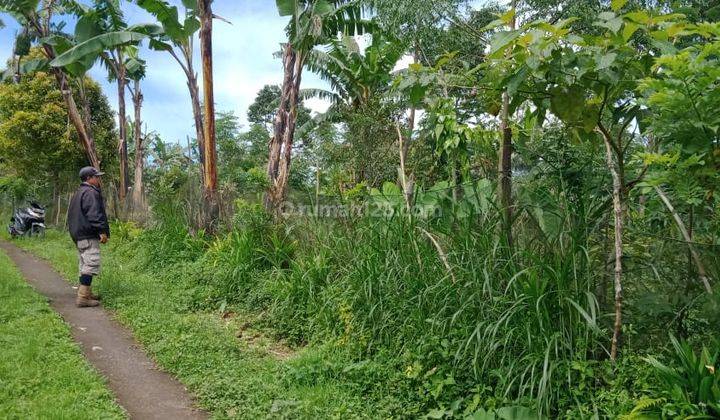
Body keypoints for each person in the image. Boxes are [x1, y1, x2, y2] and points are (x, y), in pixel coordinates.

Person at [67, 166, 110, 308]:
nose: (98, 179)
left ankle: (87, 293)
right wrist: (101, 231)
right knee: (91, 264)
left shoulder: (79, 192)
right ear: (89, 178)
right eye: (96, 176)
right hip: (87, 234)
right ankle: (83, 298)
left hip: (79, 235)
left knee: (84, 263)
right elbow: (94, 214)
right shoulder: (90, 192)